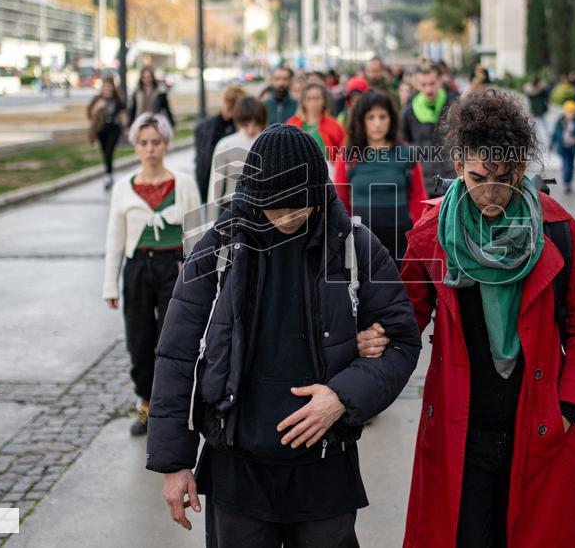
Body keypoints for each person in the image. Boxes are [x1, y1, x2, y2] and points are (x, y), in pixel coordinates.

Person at [147, 124, 422, 546]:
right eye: (277, 207)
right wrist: (173, 462)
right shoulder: (218, 249)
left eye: (301, 206)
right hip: (237, 468)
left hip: (325, 469)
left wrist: (342, 397)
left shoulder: (354, 247)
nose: (289, 217)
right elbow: (177, 355)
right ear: (255, 196)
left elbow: (402, 341)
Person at [370, 88, 575, 547]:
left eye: (505, 177)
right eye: (480, 177)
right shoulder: (429, 236)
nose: (492, 192)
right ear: (458, 166)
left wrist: (568, 406)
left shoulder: (558, 231)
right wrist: (369, 341)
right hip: (459, 433)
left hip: (538, 427)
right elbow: (403, 322)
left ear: (522, 169)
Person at [102, 113, 204, 435]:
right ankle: (145, 402)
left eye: (156, 142)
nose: (150, 149)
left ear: (166, 144)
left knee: (172, 337)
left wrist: (201, 278)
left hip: (172, 266)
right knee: (139, 338)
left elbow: (198, 236)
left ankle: (173, 404)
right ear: (134, 147)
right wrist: (110, 284)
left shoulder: (184, 184)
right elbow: (115, 237)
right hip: (138, 269)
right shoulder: (124, 188)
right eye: (143, 143)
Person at [334, 90, 428, 265]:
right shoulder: (347, 157)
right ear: (360, 121)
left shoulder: (407, 154)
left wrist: (420, 240)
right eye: (371, 117)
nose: (377, 123)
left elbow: (418, 200)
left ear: (391, 119)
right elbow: (340, 202)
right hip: (360, 243)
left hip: (401, 241)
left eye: (382, 116)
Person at [207, 95, 267, 221]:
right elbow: (215, 186)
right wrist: (211, 223)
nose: (251, 129)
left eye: (255, 123)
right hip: (231, 208)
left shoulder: (268, 142)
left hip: (262, 209)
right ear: (239, 121)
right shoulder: (225, 145)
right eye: (246, 123)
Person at [401, 63, 455, 197]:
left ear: (440, 81)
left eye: (432, 83)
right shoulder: (408, 111)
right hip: (422, 184)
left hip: (451, 181)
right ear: (417, 85)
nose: (428, 89)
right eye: (423, 85)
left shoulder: (455, 106)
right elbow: (404, 144)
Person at [193, 85, 242, 203]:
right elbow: (201, 161)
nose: (228, 111)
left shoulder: (239, 128)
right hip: (207, 185)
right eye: (227, 105)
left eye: (232, 107)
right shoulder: (205, 126)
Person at [286, 83, 346, 163]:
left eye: (317, 98)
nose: (313, 102)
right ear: (303, 101)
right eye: (309, 98)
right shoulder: (292, 124)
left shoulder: (334, 125)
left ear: (324, 101)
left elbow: (343, 152)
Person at [87, 76, 128, 191]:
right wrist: (97, 107)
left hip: (114, 128)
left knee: (110, 150)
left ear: (113, 87)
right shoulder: (97, 99)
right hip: (102, 129)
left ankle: (107, 175)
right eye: (106, 86)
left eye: (110, 86)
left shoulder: (117, 100)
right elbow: (90, 114)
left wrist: (125, 128)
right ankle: (108, 172)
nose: (108, 89)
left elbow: (123, 114)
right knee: (105, 152)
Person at [550, 100, 575, 195]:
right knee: (566, 164)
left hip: (572, 148)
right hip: (563, 146)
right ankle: (566, 182)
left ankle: (568, 181)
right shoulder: (560, 121)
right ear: (565, 112)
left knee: (571, 165)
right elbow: (555, 134)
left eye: (572, 112)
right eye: (568, 112)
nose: (570, 114)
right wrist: (551, 145)